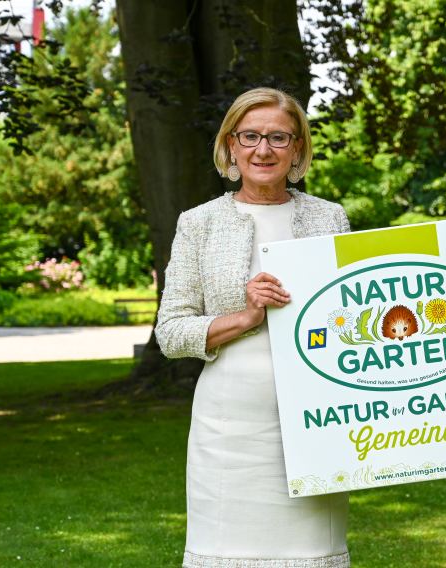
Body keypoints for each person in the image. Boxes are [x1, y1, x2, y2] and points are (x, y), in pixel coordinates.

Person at [155, 87, 351, 568]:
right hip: (229, 428)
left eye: (279, 138)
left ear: (299, 149)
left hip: (315, 419)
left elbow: (352, 312)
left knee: (311, 550)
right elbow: (172, 331)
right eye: (250, 136)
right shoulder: (198, 223)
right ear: (230, 146)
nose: (263, 150)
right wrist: (244, 317)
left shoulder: (330, 217)